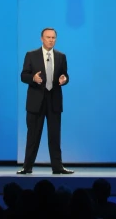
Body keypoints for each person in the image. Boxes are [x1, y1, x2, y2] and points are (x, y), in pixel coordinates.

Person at [17, 27, 72, 175]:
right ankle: (27, 167)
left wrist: (64, 79)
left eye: (53, 37)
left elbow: (65, 75)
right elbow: (23, 75)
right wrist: (33, 78)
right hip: (36, 101)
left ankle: (58, 168)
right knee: (33, 136)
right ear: (42, 39)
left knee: (54, 136)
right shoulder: (31, 55)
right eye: (48, 37)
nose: (51, 40)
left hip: (54, 101)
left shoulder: (61, 56)